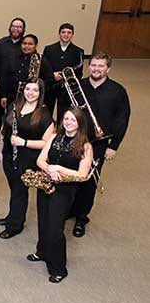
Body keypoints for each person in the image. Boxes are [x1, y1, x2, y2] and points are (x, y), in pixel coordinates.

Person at [64, 52, 130, 237]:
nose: (96, 69)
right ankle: (67, 210)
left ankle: (81, 217)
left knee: (88, 181)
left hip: (99, 143)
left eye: (101, 66)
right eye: (93, 65)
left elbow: (122, 119)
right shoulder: (79, 86)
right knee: (70, 176)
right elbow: (65, 110)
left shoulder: (117, 91)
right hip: (74, 139)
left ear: (108, 68)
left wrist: (113, 146)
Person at [29, 108, 93, 283]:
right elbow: (40, 160)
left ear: (80, 123)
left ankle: (58, 268)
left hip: (65, 190)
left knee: (56, 228)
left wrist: (59, 169)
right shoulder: (54, 137)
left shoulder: (86, 146)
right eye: (66, 119)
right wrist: (49, 168)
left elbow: (82, 174)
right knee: (43, 220)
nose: (68, 123)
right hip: (46, 183)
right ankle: (42, 252)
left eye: (73, 120)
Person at [0, 80, 54, 238]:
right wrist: (0, 151)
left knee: (20, 191)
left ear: (40, 93)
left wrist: (24, 142)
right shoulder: (14, 105)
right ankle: (12, 216)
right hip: (9, 154)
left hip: (27, 159)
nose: (30, 93)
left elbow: (47, 143)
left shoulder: (44, 114)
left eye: (35, 90)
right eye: (28, 89)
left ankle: (15, 225)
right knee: (14, 188)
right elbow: (4, 130)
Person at [43, 23, 85, 119]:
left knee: (64, 112)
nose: (66, 35)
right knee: (47, 110)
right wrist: (52, 75)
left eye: (69, 32)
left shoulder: (78, 51)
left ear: (72, 35)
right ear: (59, 34)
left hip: (66, 88)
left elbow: (79, 72)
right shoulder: (49, 49)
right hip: (51, 85)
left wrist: (67, 78)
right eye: (63, 32)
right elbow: (44, 67)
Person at [0, 18, 26, 127]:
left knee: (17, 107)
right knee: (1, 106)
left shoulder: (25, 44)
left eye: (19, 27)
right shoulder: (1, 43)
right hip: (2, 82)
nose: (16, 29)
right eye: (14, 26)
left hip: (19, 84)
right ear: (10, 28)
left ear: (23, 29)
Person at [8, 34, 53, 110]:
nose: (26, 46)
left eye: (30, 44)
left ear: (35, 45)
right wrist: (5, 96)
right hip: (14, 97)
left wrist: (37, 87)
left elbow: (50, 79)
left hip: (32, 99)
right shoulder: (14, 58)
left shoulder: (41, 60)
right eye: (24, 43)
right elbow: (8, 77)